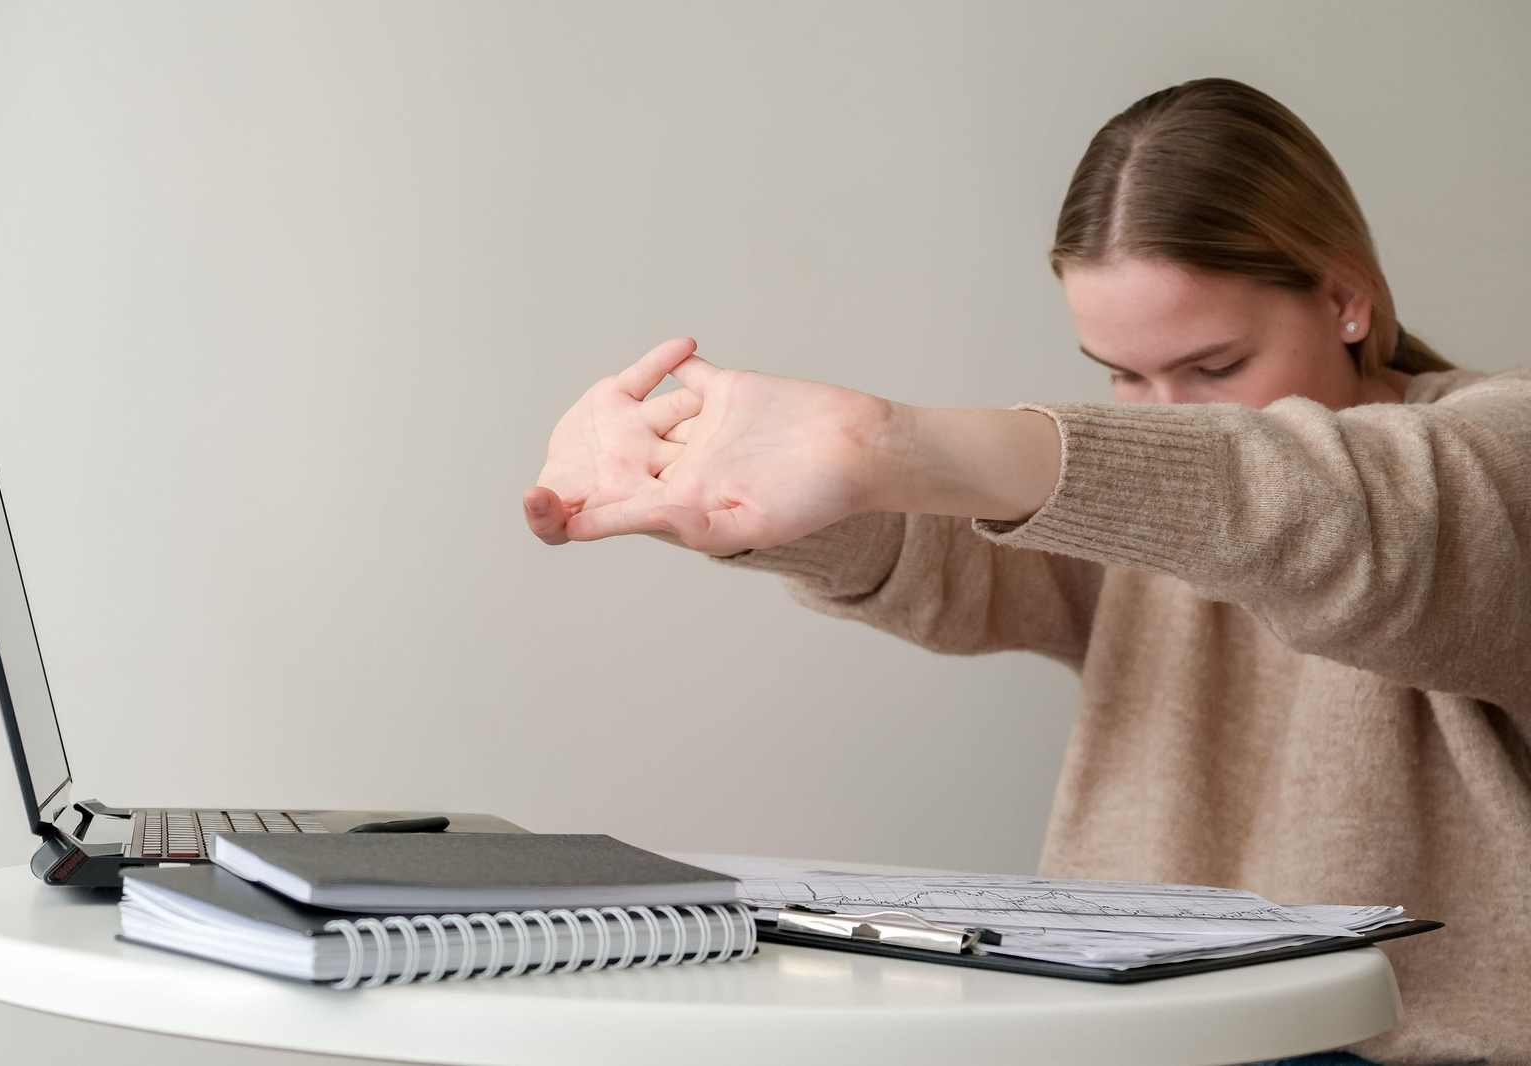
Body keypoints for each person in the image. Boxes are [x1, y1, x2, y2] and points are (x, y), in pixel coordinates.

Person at [522, 77, 1530, 1066]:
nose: (1170, 416)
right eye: (1122, 376)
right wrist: (722, 499)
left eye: (1215, 368)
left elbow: (1353, 516)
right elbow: (943, 557)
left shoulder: (1497, 450)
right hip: (1127, 1031)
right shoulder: (1151, 501)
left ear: (1346, 299)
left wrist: (880, 439)